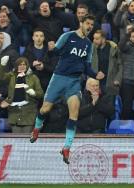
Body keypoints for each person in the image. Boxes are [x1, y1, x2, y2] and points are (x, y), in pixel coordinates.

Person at [29, 15, 97, 164]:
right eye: (88, 23)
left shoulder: (89, 44)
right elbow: (55, 53)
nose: (90, 26)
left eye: (92, 24)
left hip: (74, 81)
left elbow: (87, 66)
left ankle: (66, 147)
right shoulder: (67, 36)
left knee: (74, 114)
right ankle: (37, 128)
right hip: (59, 78)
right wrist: (51, 49)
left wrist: (95, 74)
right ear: (81, 23)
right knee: (45, 109)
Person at [0, 57, 43, 133]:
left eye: (24, 64)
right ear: (16, 66)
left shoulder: (33, 78)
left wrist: (34, 93)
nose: (22, 66)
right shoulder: (12, 76)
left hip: (29, 114)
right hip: (14, 113)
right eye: (20, 65)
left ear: (27, 66)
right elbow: (0, 76)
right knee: (16, 141)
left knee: (26, 142)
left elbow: (41, 94)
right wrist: (2, 65)